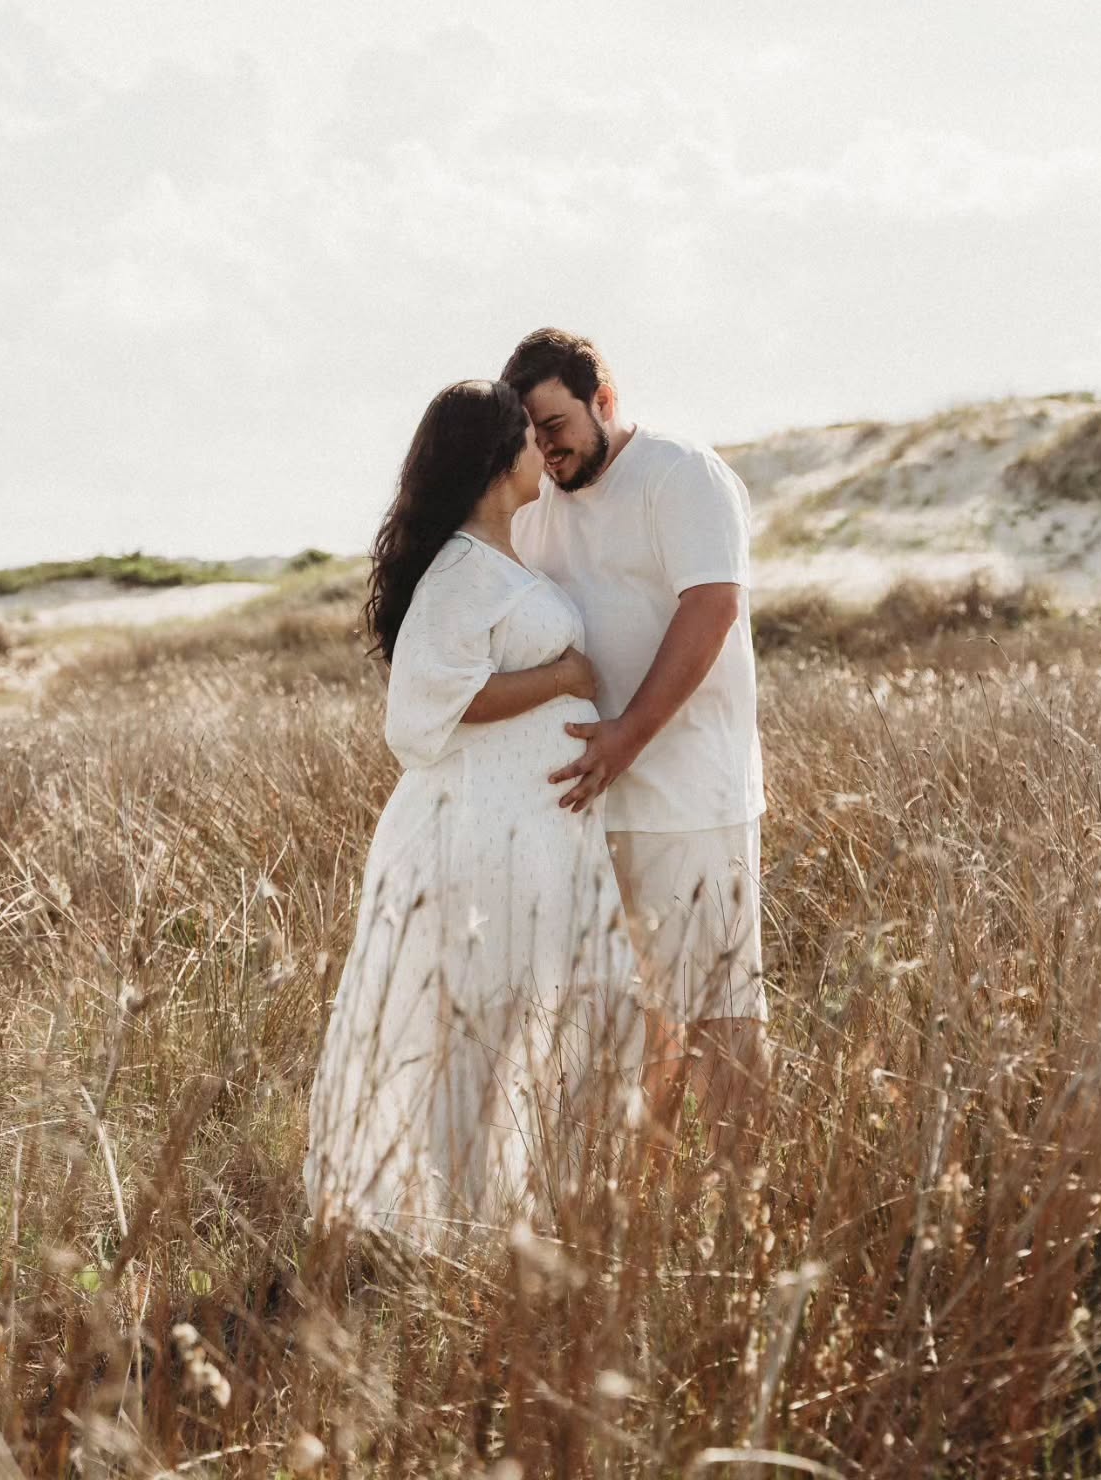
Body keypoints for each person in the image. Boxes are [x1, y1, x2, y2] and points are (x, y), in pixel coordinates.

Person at [304, 380, 640, 1244]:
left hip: (529, 833)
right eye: (528, 438)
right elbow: (421, 714)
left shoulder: (504, 558)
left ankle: (505, 1220)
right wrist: (564, 678)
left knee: (520, 1027)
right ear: (497, 461)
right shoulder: (459, 570)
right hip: (474, 837)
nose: (541, 451)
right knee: (471, 1034)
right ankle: (452, 1228)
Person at [502, 329, 770, 1167]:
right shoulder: (540, 510)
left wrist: (626, 737)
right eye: (531, 434)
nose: (546, 449)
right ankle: (643, 1201)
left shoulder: (681, 474)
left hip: (691, 796)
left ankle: (744, 1197)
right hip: (591, 803)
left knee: (721, 1007)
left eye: (556, 425)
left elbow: (711, 609)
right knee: (637, 1012)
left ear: (605, 402)